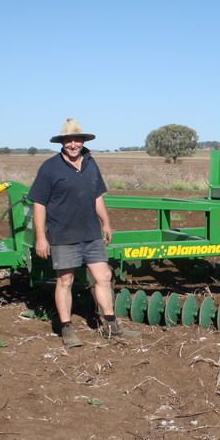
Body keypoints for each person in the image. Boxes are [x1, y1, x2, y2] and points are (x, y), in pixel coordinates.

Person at [27, 118, 138, 347]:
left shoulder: (90, 163)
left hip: (91, 234)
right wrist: (40, 237)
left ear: (83, 141)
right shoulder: (49, 167)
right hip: (63, 234)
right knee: (65, 280)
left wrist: (105, 222)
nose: (73, 144)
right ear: (62, 143)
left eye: (77, 140)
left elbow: (97, 196)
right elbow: (39, 204)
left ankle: (111, 325)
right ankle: (66, 329)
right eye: (69, 140)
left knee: (104, 277)